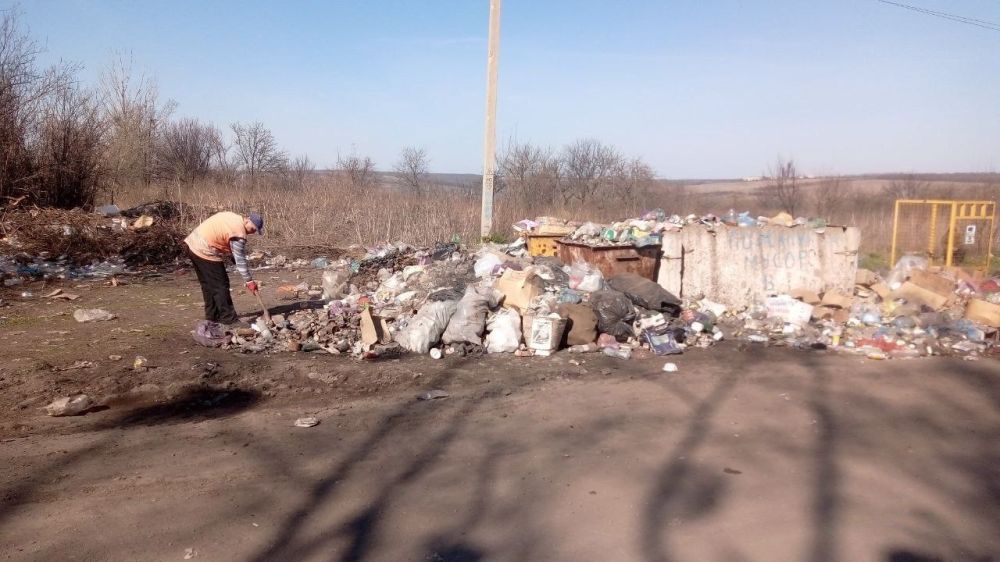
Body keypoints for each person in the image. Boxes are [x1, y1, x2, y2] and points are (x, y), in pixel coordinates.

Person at [184, 211, 263, 325]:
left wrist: (234, 258)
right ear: (247, 220)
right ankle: (229, 319)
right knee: (221, 285)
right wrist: (249, 281)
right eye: (254, 228)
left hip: (192, 244)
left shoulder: (232, 217)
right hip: (204, 248)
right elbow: (240, 259)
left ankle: (212, 317)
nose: (253, 232)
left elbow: (224, 237)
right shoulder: (239, 233)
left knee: (208, 285)